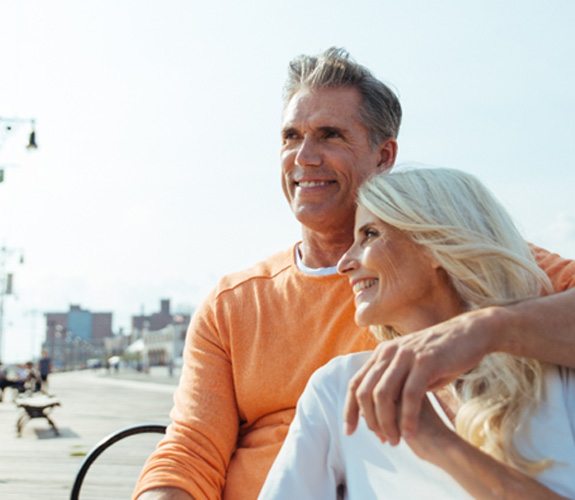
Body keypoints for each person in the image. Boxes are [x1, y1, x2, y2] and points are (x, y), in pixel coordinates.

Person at [134, 48, 575, 500]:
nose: (304, 156)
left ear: (383, 155)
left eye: (329, 135)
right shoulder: (234, 305)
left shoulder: (469, 259)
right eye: (291, 136)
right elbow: (190, 451)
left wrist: (483, 329)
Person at [260, 167, 575, 498]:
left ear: (436, 245)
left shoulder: (557, 378)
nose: (344, 263)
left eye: (369, 234)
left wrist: (440, 445)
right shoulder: (340, 390)